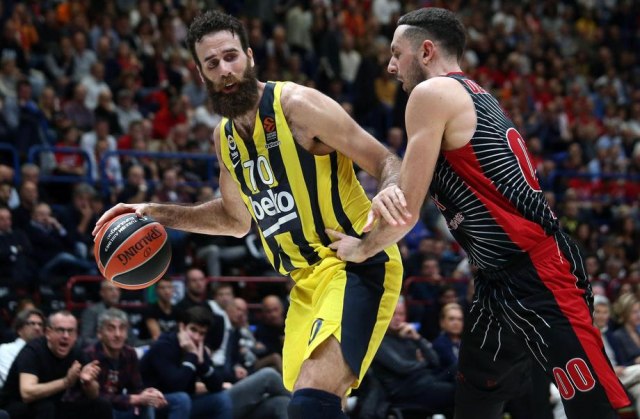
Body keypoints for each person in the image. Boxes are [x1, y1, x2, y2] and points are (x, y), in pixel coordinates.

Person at [94, 10, 403, 419]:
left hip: (355, 265)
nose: (224, 70)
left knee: (311, 399)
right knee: (312, 404)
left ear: (250, 56)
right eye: (212, 63)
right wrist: (155, 213)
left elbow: (385, 160)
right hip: (305, 282)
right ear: (200, 73)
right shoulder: (224, 139)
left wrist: (384, 206)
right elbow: (235, 220)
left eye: (231, 57)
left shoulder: (297, 106)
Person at [327, 8, 629, 419]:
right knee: (477, 397)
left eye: (397, 53)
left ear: (426, 51)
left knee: (593, 409)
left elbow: (407, 212)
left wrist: (361, 248)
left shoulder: (430, 94)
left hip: (540, 272)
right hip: (495, 281)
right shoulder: (472, 93)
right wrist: (390, 190)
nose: (390, 66)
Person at [0, 311, 112, 419]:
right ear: (48, 333)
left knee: (101, 405)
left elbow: (93, 395)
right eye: (60, 330)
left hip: (52, 405)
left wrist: (88, 383)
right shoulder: (33, 350)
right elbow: (27, 394)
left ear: (76, 335)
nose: (66, 336)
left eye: (70, 331)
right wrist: (66, 382)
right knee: (46, 407)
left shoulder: (76, 352)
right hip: (15, 407)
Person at [139, 306, 232, 419]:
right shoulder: (163, 346)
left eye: (202, 333)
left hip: (182, 402)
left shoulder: (198, 348)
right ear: (182, 327)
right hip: (152, 403)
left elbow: (217, 386)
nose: (197, 337)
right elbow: (176, 386)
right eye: (193, 330)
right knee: (182, 399)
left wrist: (202, 364)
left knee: (221, 399)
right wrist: (191, 356)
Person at [81, 308, 166, 419]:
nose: (118, 334)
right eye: (111, 329)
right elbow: (97, 398)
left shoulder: (130, 353)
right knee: (104, 406)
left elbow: (136, 389)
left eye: (122, 329)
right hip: (95, 412)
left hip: (120, 408)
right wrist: (136, 399)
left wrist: (149, 393)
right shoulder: (89, 355)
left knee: (149, 403)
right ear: (99, 334)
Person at [0, 308, 45, 388]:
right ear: (19, 329)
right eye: (32, 323)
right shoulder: (5, 350)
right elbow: (13, 382)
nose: (37, 328)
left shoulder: (45, 352)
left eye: (40, 324)